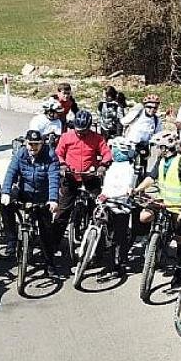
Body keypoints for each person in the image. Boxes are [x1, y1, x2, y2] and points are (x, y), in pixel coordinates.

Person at [132, 130, 181, 287]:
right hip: (162, 200)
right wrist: (137, 189)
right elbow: (151, 177)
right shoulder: (161, 160)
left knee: (180, 238)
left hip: (178, 206)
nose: (157, 150)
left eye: (159, 147)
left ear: (166, 147)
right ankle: (154, 241)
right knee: (143, 217)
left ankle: (179, 271)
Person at [54, 110, 112, 259]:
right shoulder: (66, 136)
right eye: (78, 130)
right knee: (63, 211)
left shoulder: (97, 138)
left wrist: (103, 165)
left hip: (90, 177)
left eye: (84, 130)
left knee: (98, 211)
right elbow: (58, 153)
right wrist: (62, 165)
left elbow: (106, 153)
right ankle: (53, 244)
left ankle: (99, 247)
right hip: (71, 176)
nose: (80, 133)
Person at [0, 130, 59, 272]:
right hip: (24, 191)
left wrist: (53, 199)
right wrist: (6, 192)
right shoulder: (20, 154)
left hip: (42, 195)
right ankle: (11, 240)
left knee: (46, 230)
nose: (33, 147)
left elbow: (53, 178)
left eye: (36, 144)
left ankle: (49, 262)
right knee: (4, 204)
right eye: (30, 144)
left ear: (42, 144)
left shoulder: (50, 155)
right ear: (26, 143)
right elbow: (11, 173)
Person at [97, 137, 139, 279]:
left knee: (119, 237)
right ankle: (106, 260)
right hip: (108, 204)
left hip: (121, 206)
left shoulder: (129, 169)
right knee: (108, 234)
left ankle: (119, 265)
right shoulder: (113, 167)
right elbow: (107, 185)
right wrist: (103, 194)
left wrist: (112, 195)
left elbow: (127, 188)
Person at [121, 94, 164, 171]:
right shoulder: (138, 113)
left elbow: (159, 134)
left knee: (143, 168)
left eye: (155, 108)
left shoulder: (156, 120)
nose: (152, 110)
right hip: (131, 145)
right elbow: (123, 122)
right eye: (149, 107)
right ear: (145, 106)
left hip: (144, 146)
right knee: (129, 168)